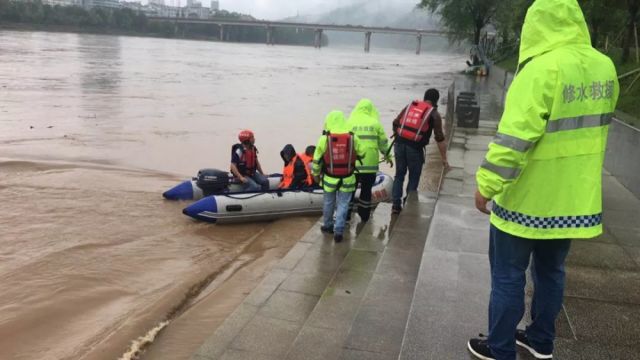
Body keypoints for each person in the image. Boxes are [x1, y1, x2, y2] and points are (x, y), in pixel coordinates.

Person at [469, 1, 619, 359]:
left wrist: (486, 185)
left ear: (536, 25)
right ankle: (540, 341)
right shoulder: (605, 68)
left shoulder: (540, 70)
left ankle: (500, 348)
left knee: (508, 276)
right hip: (573, 201)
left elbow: (513, 140)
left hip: (527, 198)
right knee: (552, 272)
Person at [391, 88, 448, 214]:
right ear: (436, 101)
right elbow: (439, 138)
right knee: (413, 177)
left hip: (399, 144)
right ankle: (408, 204)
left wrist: (399, 136)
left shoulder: (411, 106)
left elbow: (395, 123)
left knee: (399, 175)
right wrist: (444, 158)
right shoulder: (434, 114)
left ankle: (395, 205)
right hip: (415, 149)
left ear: (424, 97)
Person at [312, 111, 364, 243]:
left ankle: (328, 225)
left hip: (329, 178)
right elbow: (363, 153)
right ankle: (339, 230)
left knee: (328, 202)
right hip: (347, 178)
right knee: (343, 203)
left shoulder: (324, 139)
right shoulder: (353, 137)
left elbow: (316, 161)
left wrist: (316, 175)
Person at [348, 98, 392, 222]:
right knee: (366, 191)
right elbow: (383, 143)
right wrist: (388, 156)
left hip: (353, 165)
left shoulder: (349, 122)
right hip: (370, 165)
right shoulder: (375, 123)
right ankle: (364, 216)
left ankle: (346, 217)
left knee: (349, 190)